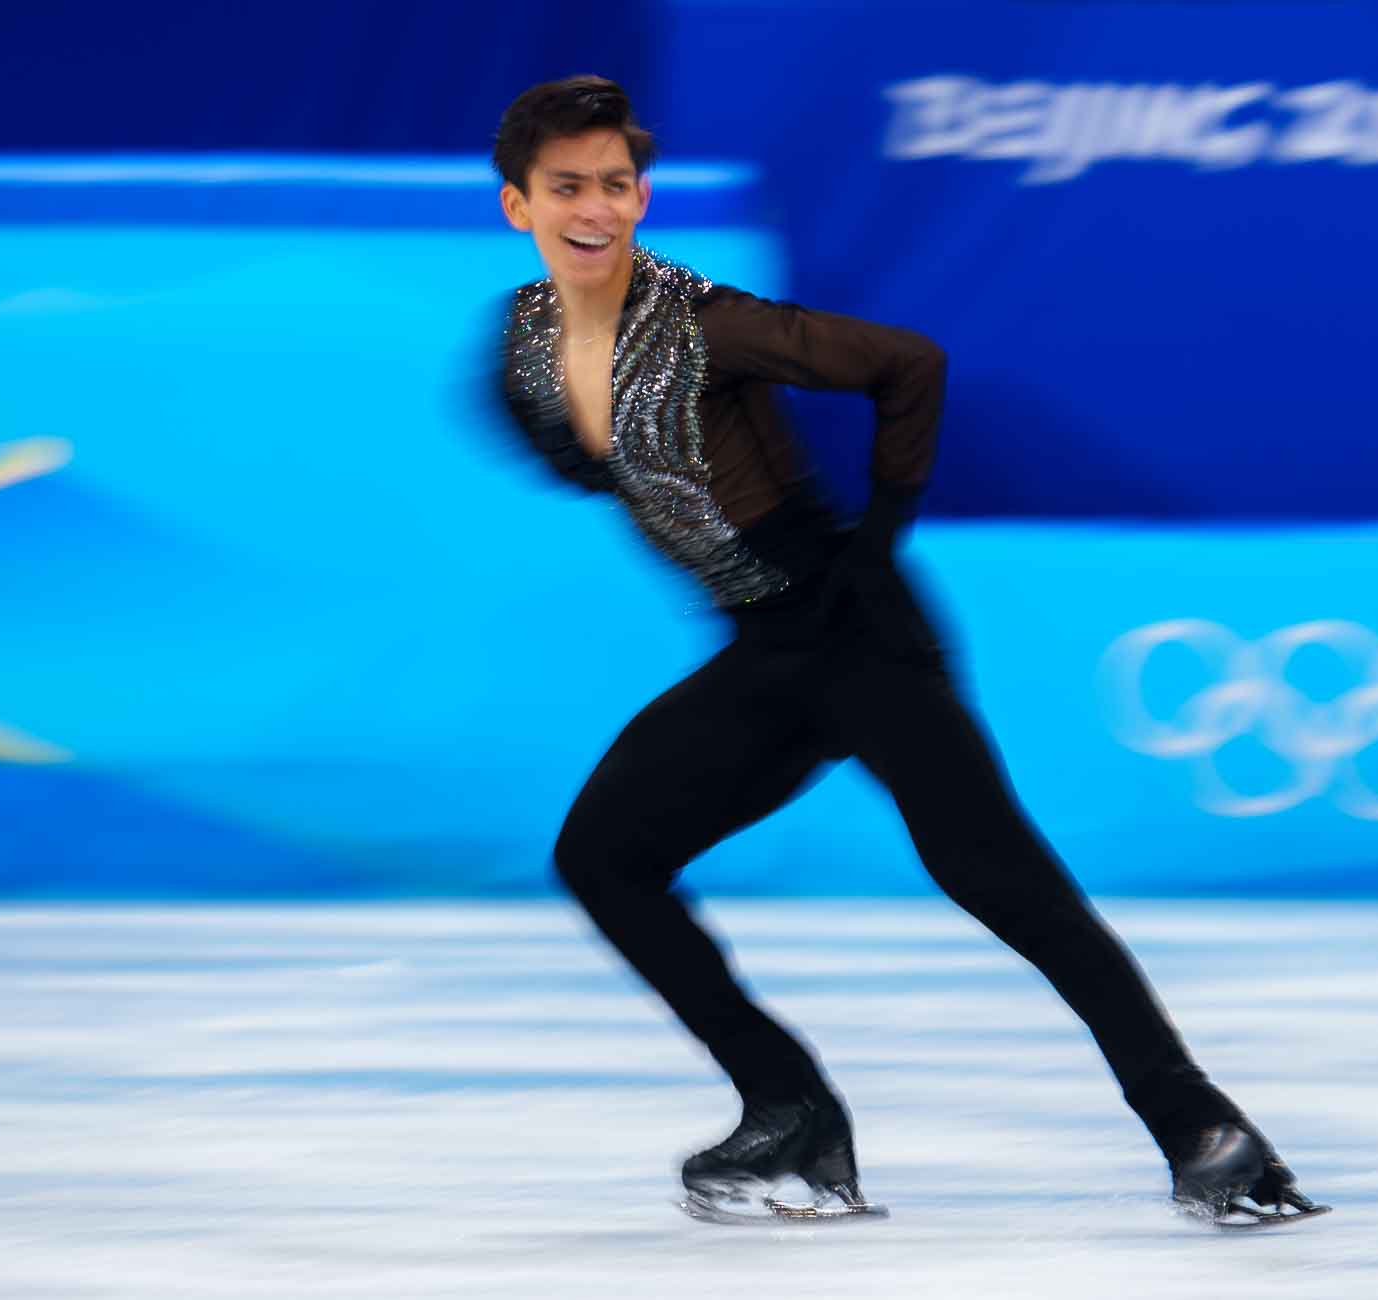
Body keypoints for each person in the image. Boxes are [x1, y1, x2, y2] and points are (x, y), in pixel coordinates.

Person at [487, 74, 1328, 1228]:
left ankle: (1205, 1131)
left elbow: (908, 363)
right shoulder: (525, 341)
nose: (595, 207)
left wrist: (876, 541)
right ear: (517, 205)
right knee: (605, 855)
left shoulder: (704, 319)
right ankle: (789, 1108)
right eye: (567, 186)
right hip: (767, 652)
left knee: (1002, 882)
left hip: (860, 633)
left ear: (642, 195)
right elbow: (577, 448)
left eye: (616, 183)